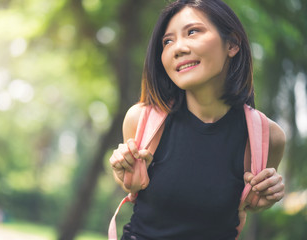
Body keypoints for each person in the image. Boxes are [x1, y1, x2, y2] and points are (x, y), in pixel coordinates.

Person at [109, 0, 286, 239]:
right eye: (167, 41)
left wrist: (263, 198)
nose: (177, 48)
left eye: (192, 32)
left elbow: (247, 207)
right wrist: (123, 172)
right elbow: (131, 186)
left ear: (232, 44)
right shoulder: (142, 119)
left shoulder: (267, 137)